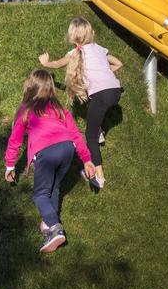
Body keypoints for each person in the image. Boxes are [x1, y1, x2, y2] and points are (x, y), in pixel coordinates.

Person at [4, 69, 96, 253]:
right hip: (67, 149)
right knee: (53, 188)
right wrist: (87, 159)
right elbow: (76, 135)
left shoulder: (25, 110)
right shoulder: (61, 110)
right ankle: (49, 225)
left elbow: (15, 140)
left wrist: (10, 165)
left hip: (46, 152)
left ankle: (55, 227)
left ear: (29, 87)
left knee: (40, 195)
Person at [39, 17, 123, 190]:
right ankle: (99, 130)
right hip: (115, 92)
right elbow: (119, 64)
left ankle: (99, 178)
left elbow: (57, 64)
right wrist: (105, 73)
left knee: (89, 137)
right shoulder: (100, 49)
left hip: (101, 96)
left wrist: (45, 63)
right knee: (95, 107)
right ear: (92, 33)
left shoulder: (73, 53)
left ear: (72, 37)